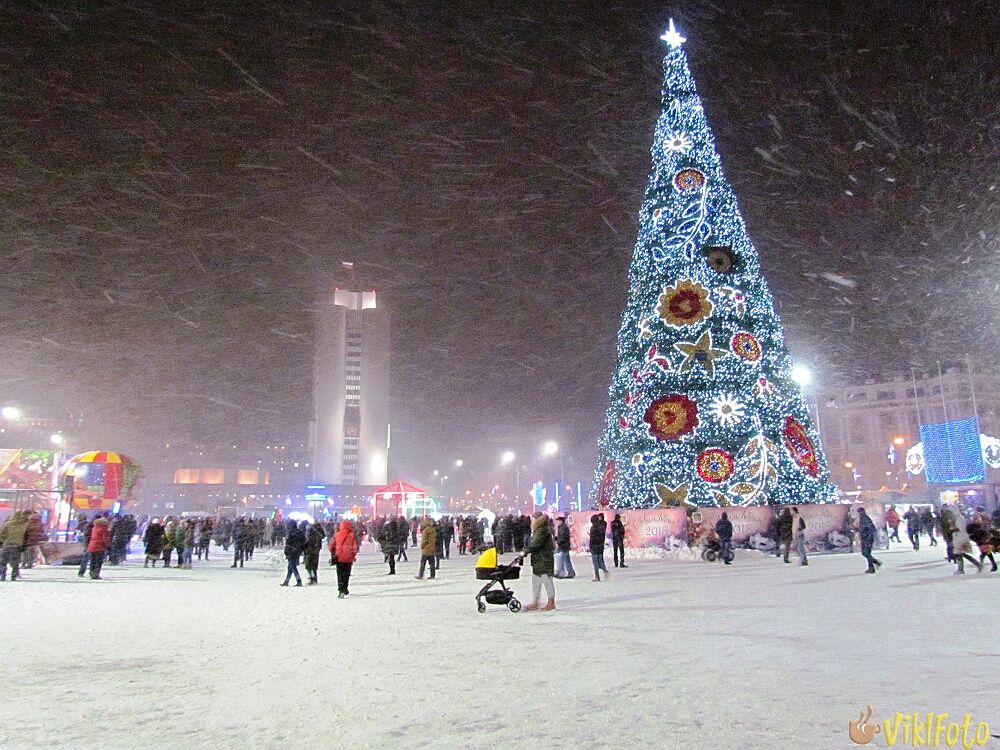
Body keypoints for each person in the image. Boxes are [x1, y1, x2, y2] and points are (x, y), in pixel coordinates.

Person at [523, 513, 556, 611]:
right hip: (538, 560)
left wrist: (526, 551)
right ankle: (535, 602)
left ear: (537, 520)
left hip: (544, 559)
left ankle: (551, 603)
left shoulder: (542, 530)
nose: (531, 521)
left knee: (547, 581)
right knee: (536, 582)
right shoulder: (538, 530)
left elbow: (536, 544)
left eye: (533, 519)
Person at [941, 505, 982, 574]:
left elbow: (958, 529)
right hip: (961, 537)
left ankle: (961, 569)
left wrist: (951, 529)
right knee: (961, 554)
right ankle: (976, 565)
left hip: (960, 538)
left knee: (958, 554)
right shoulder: (959, 517)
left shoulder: (958, 519)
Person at [332, 520, 359, 598]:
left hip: (339, 557)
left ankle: (341, 589)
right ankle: (345, 588)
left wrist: (334, 552)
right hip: (348, 558)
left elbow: (331, 545)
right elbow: (355, 547)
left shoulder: (337, 534)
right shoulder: (352, 535)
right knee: (346, 574)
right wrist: (353, 555)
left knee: (340, 574)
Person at [0, 510, 28, 581]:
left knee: (3, 561)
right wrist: (23, 546)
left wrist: (2, 542)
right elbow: (26, 537)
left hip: (7, 545)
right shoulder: (25, 525)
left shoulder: (8, 524)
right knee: (15, 562)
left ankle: (3, 576)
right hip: (17, 546)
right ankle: (14, 576)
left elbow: (2, 534)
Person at [281, 520, 305, 587]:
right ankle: (286, 581)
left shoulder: (291, 533)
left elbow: (288, 543)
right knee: (290, 567)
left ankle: (298, 580)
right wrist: (300, 549)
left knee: (292, 567)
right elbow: (304, 542)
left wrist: (286, 552)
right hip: (297, 551)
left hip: (291, 552)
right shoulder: (300, 532)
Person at [857, 507, 882, 574]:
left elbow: (871, 529)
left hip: (867, 539)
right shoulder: (863, 518)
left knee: (866, 553)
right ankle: (875, 563)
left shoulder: (865, 519)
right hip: (865, 538)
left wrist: (867, 535)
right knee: (865, 553)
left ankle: (872, 567)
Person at [304, 521, 325, 585]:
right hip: (316, 550)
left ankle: (311, 578)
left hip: (310, 551)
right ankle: (315, 578)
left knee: (308, 565)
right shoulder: (317, 533)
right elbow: (323, 536)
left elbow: (306, 544)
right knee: (314, 565)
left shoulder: (310, 537)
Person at [589, 514, 609, 582]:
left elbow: (592, 538)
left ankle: (597, 576)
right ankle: (605, 570)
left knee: (595, 562)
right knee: (600, 560)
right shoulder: (602, 527)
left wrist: (590, 546)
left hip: (594, 547)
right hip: (600, 546)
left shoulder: (593, 528)